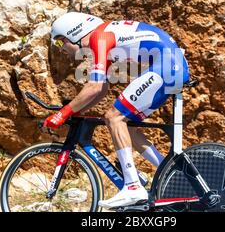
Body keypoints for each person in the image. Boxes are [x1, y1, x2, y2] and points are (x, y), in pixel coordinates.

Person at [43, 11, 189, 209]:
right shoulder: (105, 36)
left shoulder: (100, 36)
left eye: (60, 42)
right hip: (171, 66)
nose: (61, 50)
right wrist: (77, 110)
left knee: (114, 117)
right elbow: (102, 89)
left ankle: (132, 187)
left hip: (168, 66)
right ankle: (172, 173)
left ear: (73, 33)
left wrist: (63, 113)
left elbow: (94, 87)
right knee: (126, 127)